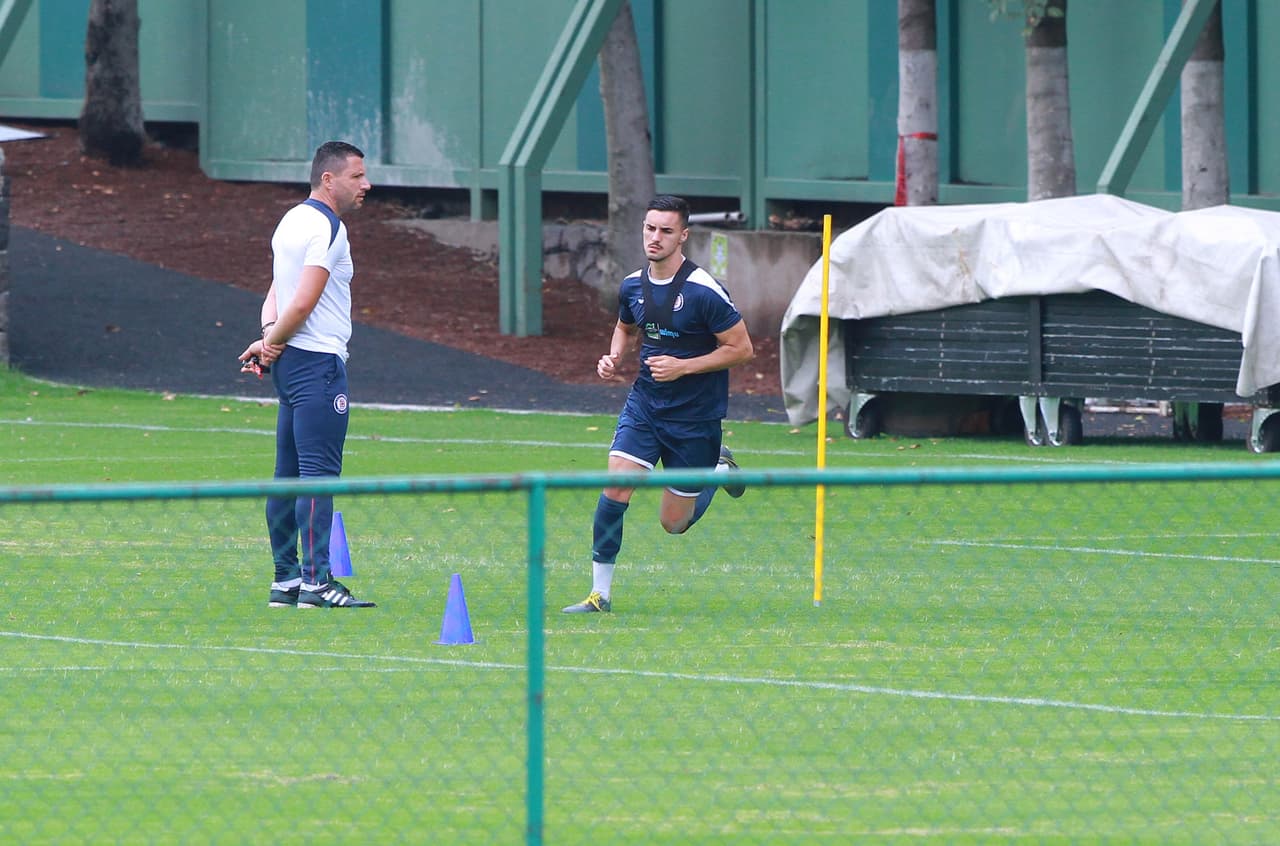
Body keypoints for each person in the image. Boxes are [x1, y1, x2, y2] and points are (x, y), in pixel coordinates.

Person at [562, 194, 753, 614]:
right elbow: (625, 328)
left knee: (673, 523)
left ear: (683, 236)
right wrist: (614, 358)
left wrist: (684, 367)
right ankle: (600, 595)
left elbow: (741, 349)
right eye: (650, 228)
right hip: (646, 405)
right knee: (615, 487)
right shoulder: (632, 285)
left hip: (695, 418)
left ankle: (719, 471)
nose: (655, 237)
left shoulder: (704, 291)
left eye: (666, 230)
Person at [238, 140, 375, 608]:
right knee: (318, 476)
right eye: (357, 176)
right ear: (329, 179)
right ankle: (318, 582)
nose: (366, 185)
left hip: (291, 364)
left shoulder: (289, 221)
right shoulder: (327, 227)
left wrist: (267, 337)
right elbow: (302, 300)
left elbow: (276, 292)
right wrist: (273, 340)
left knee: (287, 475)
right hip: (318, 365)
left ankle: (286, 580)